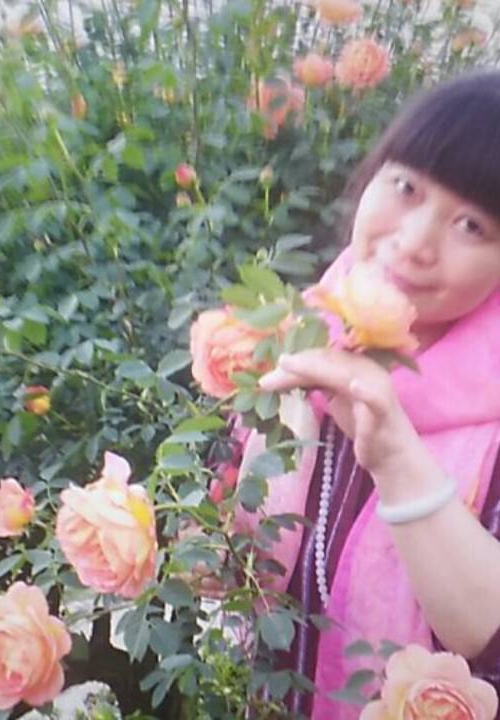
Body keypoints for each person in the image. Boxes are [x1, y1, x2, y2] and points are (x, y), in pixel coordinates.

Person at [228, 70, 500, 718]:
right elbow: (227, 531)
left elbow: (491, 644)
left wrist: (395, 455)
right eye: (406, 188)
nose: (414, 243)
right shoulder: (295, 334)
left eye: (471, 225)